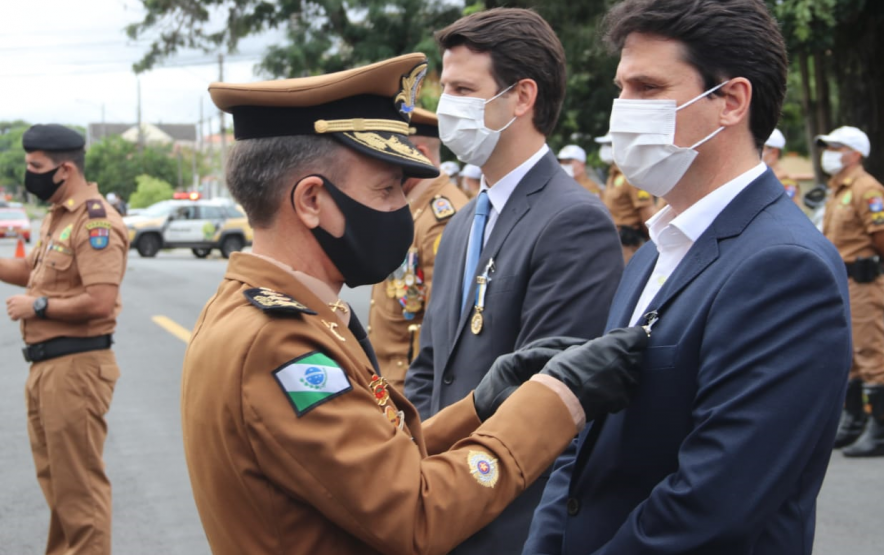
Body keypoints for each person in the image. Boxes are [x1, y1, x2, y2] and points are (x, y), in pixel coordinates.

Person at [181, 52, 647, 555]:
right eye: (385, 191)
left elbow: (377, 462)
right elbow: (415, 512)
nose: (401, 211)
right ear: (311, 201)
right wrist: (557, 398)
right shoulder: (278, 344)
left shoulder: (265, 312)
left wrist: (480, 406)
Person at [524, 1, 852, 554]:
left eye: (647, 88)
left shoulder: (785, 268)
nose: (623, 109)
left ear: (731, 100)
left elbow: (713, 503)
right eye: (621, 88)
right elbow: (585, 446)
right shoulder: (657, 251)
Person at [404, 9, 623, 554]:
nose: (446, 105)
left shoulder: (572, 220)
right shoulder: (461, 225)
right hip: (440, 507)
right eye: (444, 87)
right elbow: (431, 368)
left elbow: (551, 399)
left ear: (521, 96)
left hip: (507, 518)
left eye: (462, 88)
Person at [0, 124, 128, 555]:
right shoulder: (58, 217)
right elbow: (30, 274)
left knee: (80, 493)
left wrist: (38, 308)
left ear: (64, 168)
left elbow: (101, 300)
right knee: (58, 488)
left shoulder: (95, 222)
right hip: (47, 368)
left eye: (36, 166)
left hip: (77, 369)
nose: (28, 173)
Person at [368, 107, 468, 392]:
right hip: (392, 382)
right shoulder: (414, 207)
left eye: (389, 155)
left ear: (420, 155)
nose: (380, 165)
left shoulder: (442, 216)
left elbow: (442, 327)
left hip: (413, 387)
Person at [818, 125, 884, 457]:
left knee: (870, 353)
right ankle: (854, 424)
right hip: (843, 280)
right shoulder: (838, 189)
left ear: (854, 153)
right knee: (849, 353)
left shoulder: (868, 189)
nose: (829, 153)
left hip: (864, 281)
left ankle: (880, 434)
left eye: (835, 147)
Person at [595, 131, 656, 263]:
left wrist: (655, 245)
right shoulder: (613, 175)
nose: (605, 149)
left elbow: (646, 212)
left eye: (609, 144)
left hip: (629, 245)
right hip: (614, 242)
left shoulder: (632, 175)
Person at [763, 128, 803, 208]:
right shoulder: (768, 178)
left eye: (759, 148)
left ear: (774, 152)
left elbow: (789, 212)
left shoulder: (784, 182)